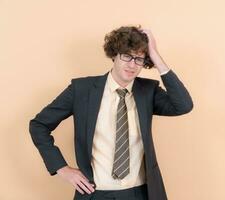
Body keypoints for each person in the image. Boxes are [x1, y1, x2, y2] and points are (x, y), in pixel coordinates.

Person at [29, 26, 193, 200]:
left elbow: (183, 105)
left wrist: (155, 55)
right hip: (95, 194)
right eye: (127, 56)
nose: (132, 64)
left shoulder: (148, 91)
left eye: (139, 59)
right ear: (114, 54)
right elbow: (39, 125)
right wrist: (61, 168)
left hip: (140, 194)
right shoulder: (82, 90)